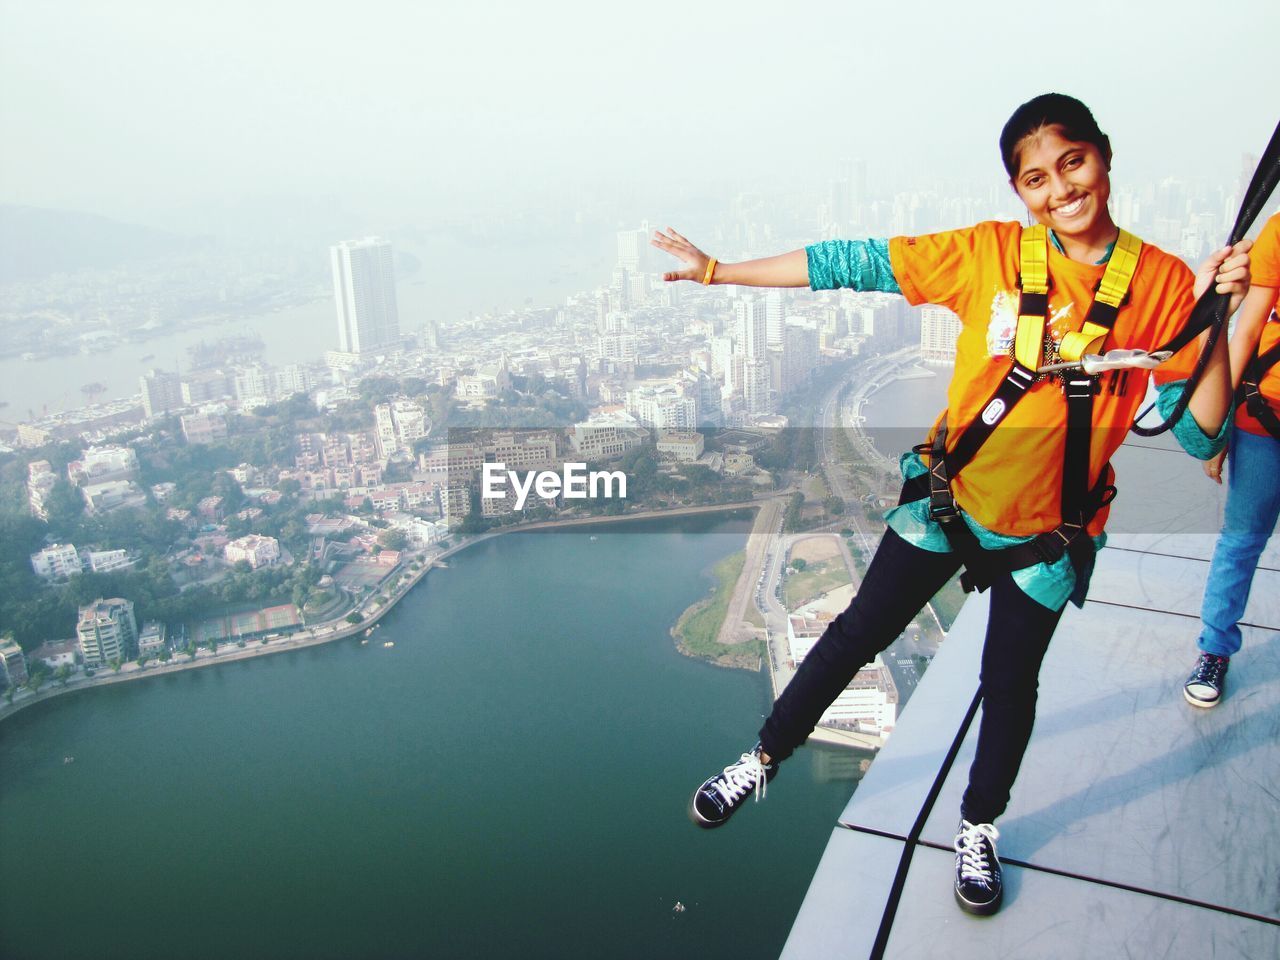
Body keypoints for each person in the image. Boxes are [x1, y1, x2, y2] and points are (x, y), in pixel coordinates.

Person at [651, 93, 1252, 917]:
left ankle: (977, 825)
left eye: (1072, 163)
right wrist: (723, 273)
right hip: (949, 499)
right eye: (1036, 177)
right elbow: (852, 263)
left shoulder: (1158, 283)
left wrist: (1219, 314)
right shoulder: (988, 254)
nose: (1060, 189)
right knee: (857, 631)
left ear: (1104, 157)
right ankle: (762, 756)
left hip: (1048, 534)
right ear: (1019, 191)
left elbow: (1202, 427)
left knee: (1009, 686)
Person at [1184, 210, 1280, 708]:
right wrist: (1219, 427)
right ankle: (1215, 650)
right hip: (1266, 418)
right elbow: (1245, 331)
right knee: (1241, 541)